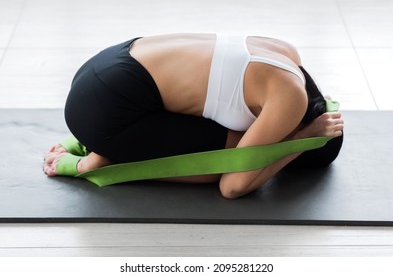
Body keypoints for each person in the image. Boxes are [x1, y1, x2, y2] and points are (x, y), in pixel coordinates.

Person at [43, 33, 344, 199]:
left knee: (204, 110)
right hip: (103, 113)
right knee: (227, 161)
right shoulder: (289, 100)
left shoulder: (285, 52)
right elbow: (232, 186)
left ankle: (108, 142)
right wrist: (303, 140)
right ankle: (94, 160)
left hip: (107, 63)